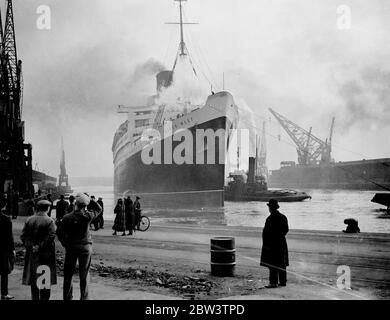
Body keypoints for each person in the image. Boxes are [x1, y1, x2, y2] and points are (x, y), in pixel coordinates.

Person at [57, 193, 99, 300]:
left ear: (75, 204)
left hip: (71, 247)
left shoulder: (67, 217)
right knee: (84, 275)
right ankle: (84, 298)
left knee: (68, 274)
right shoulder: (87, 217)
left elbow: (60, 233)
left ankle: (67, 298)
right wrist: (89, 199)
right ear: (85, 205)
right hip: (85, 247)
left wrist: (65, 244)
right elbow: (99, 208)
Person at [20, 200, 57, 300]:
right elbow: (51, 236)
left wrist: (31, 246)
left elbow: (23, 236)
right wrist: (39, 246)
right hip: (45, 255)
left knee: (34, 279)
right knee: (45, 281)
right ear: (48, 208)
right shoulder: (50, 221)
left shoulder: (29, 220)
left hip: (32, 254)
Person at [260, 199, 289, 288]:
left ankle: (273, 282)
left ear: (270, 208)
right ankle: (283, 282)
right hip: (281, 242)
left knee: (272, 263)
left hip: (272, 244)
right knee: (282, 263)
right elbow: (286, 229)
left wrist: (267, 245)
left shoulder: (269, 219)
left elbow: (266, 233)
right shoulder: (283, 217)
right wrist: (280, 237)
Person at [0, 205, 15, 300]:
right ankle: (4, 294)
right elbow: (10, 238)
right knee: (4, 273)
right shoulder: (6, 219)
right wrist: (12, 251)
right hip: (3, 250)